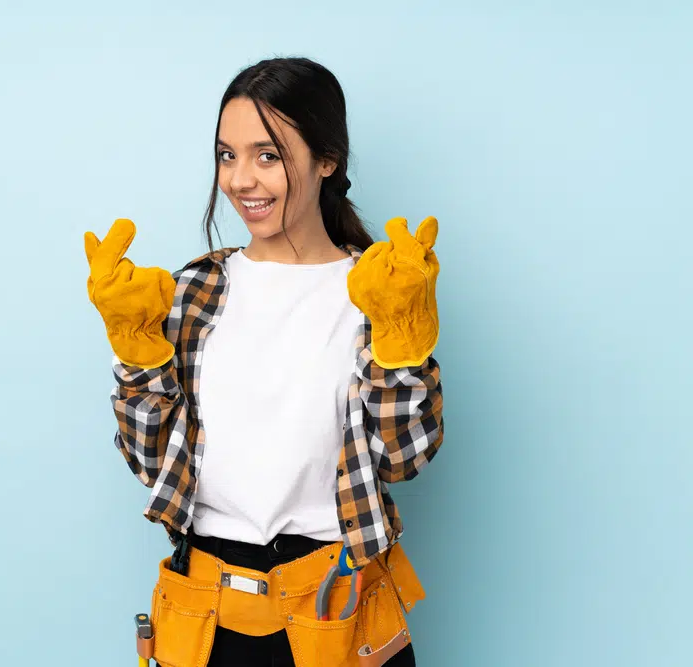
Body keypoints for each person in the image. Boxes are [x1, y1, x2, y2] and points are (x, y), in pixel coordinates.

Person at [84, 57, 444, 667]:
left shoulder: (375, 288)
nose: (241, 179)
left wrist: (400, 342)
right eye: (228, 155)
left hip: (337, 608)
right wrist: (136, 352)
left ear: (327, 160)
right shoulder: (192, 292)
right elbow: (153, 466)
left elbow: (402, 459)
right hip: (206, 618)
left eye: (268, 155)